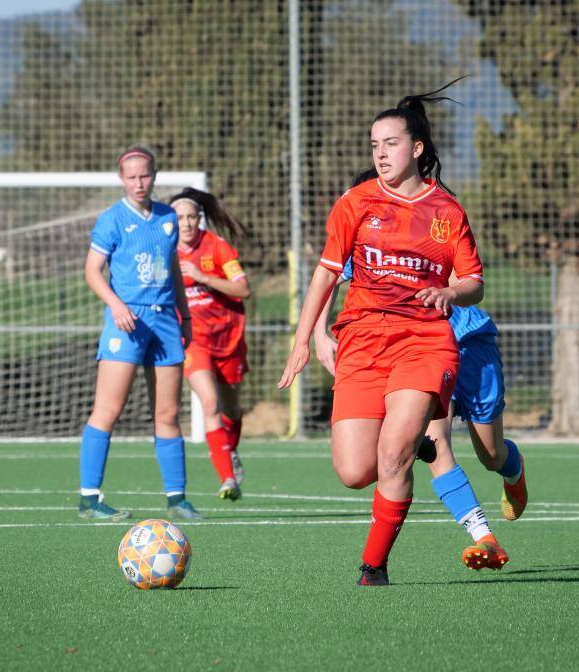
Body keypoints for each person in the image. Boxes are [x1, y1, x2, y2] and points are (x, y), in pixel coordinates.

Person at [279, 84, 508, 586]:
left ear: (417, 148)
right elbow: (325, 273)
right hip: (362, 340)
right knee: (354, 471)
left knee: (393, 456)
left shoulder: (447, 212)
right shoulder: (356, 202)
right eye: (374, 146)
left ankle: (374, 566)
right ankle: (413, 443)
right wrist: (303, 339)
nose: (381, 154)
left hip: (424, 341)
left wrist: (450, 292)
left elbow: (474, 282)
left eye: (391, 144)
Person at [314, 259, 528, 524]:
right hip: (423, 351)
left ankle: (514, 471)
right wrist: (319, 332)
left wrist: (434, 280)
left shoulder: (445, 236)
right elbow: (330, 275)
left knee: (492, 455)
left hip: (473, 345)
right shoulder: (374, 242)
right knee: (437, 443)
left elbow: (467, 283)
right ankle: (481, 533)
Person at [78, 144, 202, 522]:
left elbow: (173, 268)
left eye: (145, 175)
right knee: (108, 409)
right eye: (131, 177)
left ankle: (177, 498)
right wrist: (116, 305)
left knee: (168, 412)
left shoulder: (167, 217)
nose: (139, 183)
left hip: (165, 322)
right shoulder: (112, 219)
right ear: (121, 179)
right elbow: (92, 272)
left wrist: (185, 315)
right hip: (126, 322)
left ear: (154, 176)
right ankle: (89, 499)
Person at [171, 188, 251, 501]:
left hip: (229, 337)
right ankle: (227, 479)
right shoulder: (165, 251)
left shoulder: (217, 247)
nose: (186, 223)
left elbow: (242, 289)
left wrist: (202, 277)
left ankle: (230, 449)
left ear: (199, 219)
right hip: (193, 340)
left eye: (191, 217)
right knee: (209, 402)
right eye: (180, 218)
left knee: (231, 407)